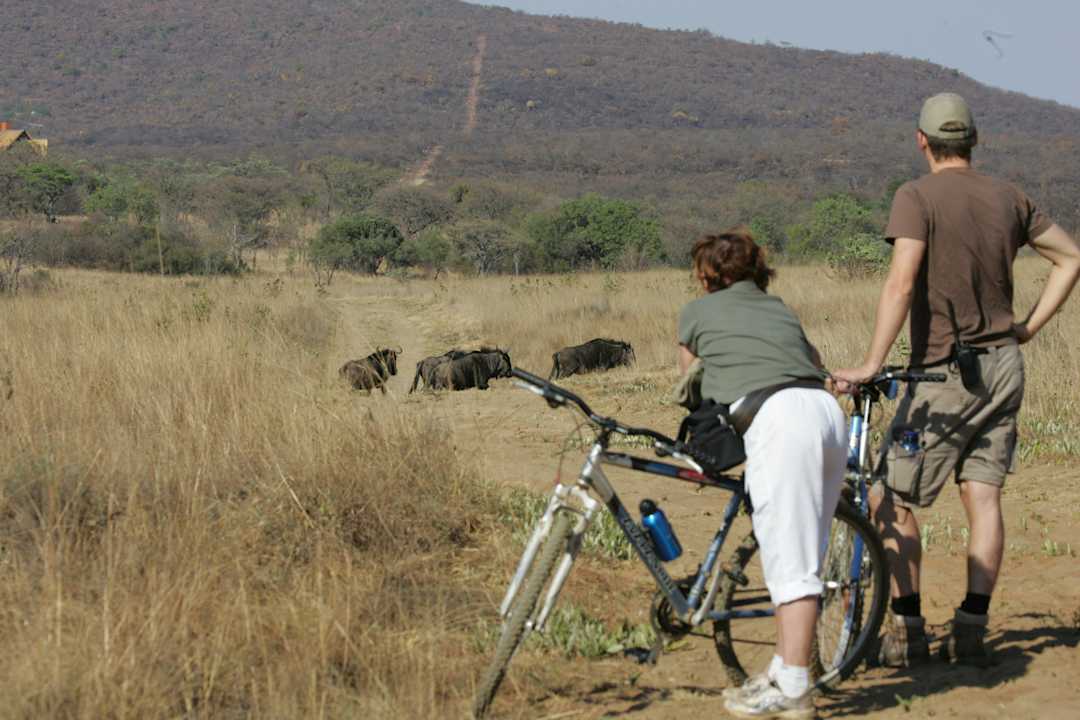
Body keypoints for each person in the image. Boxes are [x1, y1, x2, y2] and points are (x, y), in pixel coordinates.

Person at [833, 92, 1080, 667]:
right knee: (983, 496)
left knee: (890, 497)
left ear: (921, 140)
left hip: (944, 373)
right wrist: (1027, 328)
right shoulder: (1009, 196)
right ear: (973, 141)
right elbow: (1070, 258)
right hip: (1004, 368)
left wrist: (871, 362)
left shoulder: (916, 196)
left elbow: (901, 282)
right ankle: (970, 629)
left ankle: (907, 632)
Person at [678, 229, 847, 719]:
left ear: (706, 276)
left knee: (792, 564)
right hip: (824, 412)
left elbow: (689, 381)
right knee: (805, 553)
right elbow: (814, 361)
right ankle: (781, 670)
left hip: (779, 422)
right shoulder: (778, 308)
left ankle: (795, 691)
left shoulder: (696, 312)